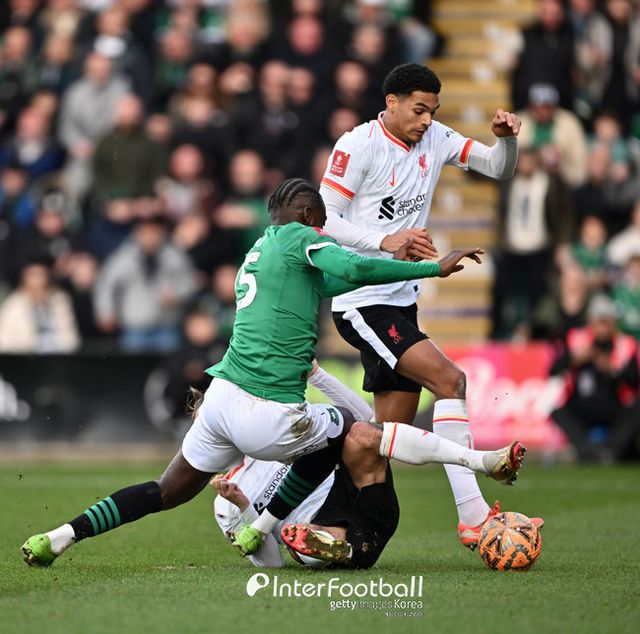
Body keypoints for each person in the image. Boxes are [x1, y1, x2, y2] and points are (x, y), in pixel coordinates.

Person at [21, 178, 524, 567]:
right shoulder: (298, 237)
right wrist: (433, 268)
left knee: (164, 490)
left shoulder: (258, 254)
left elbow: (337, 278)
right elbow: (352, 269)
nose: (323, 235)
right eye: (321, 226)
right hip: (268, 411)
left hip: (221, 400)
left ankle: (61, 536)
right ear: (306, 216)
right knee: (353, 430)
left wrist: (389, 250)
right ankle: (477, 464)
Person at [317, 63, 528, 550]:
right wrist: (386, 240)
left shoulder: (436, 138)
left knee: (383, 437)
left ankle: (329, 521)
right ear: (390, 102)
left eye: (433, 111)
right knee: (451, 380)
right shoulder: (357, 144)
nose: (427, 120)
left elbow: (498, 167)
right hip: (362, 301)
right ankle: (473, 516)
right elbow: (325, 218)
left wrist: (506, 141)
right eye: (418, 110)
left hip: (401, 300)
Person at [212, 362, 398, 569]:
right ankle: (336, 546)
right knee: (302, 536)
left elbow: (362, 419)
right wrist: (243, 506)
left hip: (360, 494)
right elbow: (271, 563)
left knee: (363, 435)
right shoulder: (225, 504)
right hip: (329, 528)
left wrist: (316, 374)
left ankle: (334, 545)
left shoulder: (278, 429)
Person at [550, 295, 640, 462]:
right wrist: (575, 360)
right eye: (600, 322)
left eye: (607, 322)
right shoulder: (578, 340)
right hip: (583, 407)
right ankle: (588, 451)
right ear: (591, 322)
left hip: (615, 407)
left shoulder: (624, 344)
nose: (603, 328)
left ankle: (610, 451)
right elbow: (554, 370)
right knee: (558, 412)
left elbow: (635, 380)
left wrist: (613, 371)